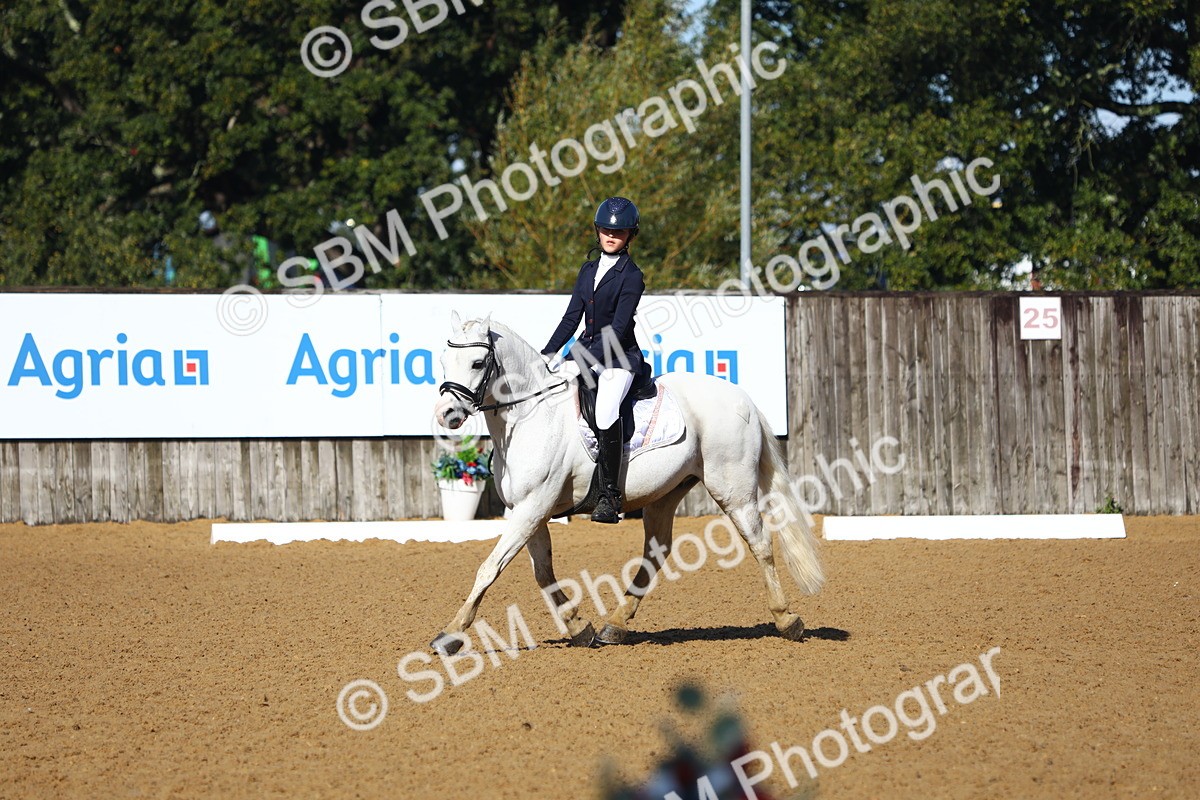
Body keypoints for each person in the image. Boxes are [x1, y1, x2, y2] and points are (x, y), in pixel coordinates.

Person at [541, 196, 649, 523]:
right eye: (606, 230)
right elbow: (571, 318)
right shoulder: (587, 270)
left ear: (630, 235)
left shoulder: (632, 276)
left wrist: (583, 361)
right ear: (597, 231)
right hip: (584, 349)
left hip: (619, 358)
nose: (611, 236)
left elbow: (618, 329)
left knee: (604, 411)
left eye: (619, 232)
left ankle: (609, 495)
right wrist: (548, 354)